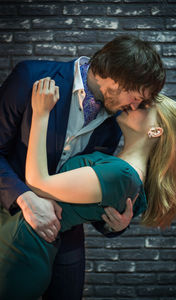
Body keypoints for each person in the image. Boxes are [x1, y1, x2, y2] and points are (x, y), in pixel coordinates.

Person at [0, 35, 166, 299]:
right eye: (134, 97)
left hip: (68, 245)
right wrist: (24, 198)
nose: (134, 107)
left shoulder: (115, 121)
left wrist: (115, 225)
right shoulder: (31, 77)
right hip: (10, 230)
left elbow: (90, 189)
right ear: (115, 77)